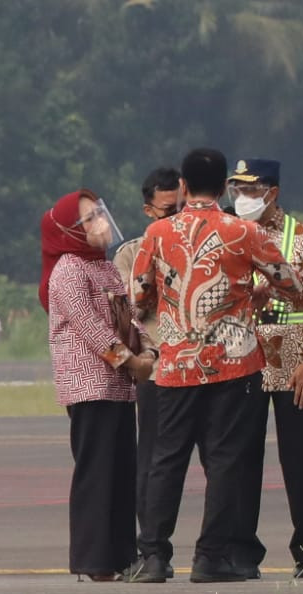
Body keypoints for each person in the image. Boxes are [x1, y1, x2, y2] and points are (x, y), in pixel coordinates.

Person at [124, 147, 303, 583]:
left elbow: (139, 297)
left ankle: (154, 555)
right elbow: (292, 284)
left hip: (175, 365)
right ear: (225, 185)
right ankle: (211, 557)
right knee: (226, 461)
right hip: (234, 363)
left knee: (166, 460)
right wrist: (253, 292)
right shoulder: (244, 232)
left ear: (183, 187)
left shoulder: (158, 233)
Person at [225, 158, 303, 579]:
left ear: (272, 192)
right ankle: (240, 553)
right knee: (240, 459)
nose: (242, 199)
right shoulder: (230, 234)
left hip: (293, 362)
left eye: (250, 191)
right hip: (245, 360)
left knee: (300, 462)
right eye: (236, 190)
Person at [41, 188, 155, 581]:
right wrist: (131, 361)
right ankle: (94, 560)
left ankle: (122, 556)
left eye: (98, 214)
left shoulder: (104, 267)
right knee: (97, 472)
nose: (99, 222)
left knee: (123, 470)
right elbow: (90, 327)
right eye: (89, 218)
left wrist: (149, 351)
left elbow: (129, 315)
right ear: (70, 231)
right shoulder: (69, 269)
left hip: (120, 385)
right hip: (90, 384)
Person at [114, 166, 181, 567]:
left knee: (221, 460)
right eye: (168, 210)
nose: (176, 217)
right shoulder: (129, 253)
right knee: (154, 459)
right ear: (148, 210)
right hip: (158, 368)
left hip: (204, 366)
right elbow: (128, 312)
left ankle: (226, 550)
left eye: (182, 207)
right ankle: (153, 549)